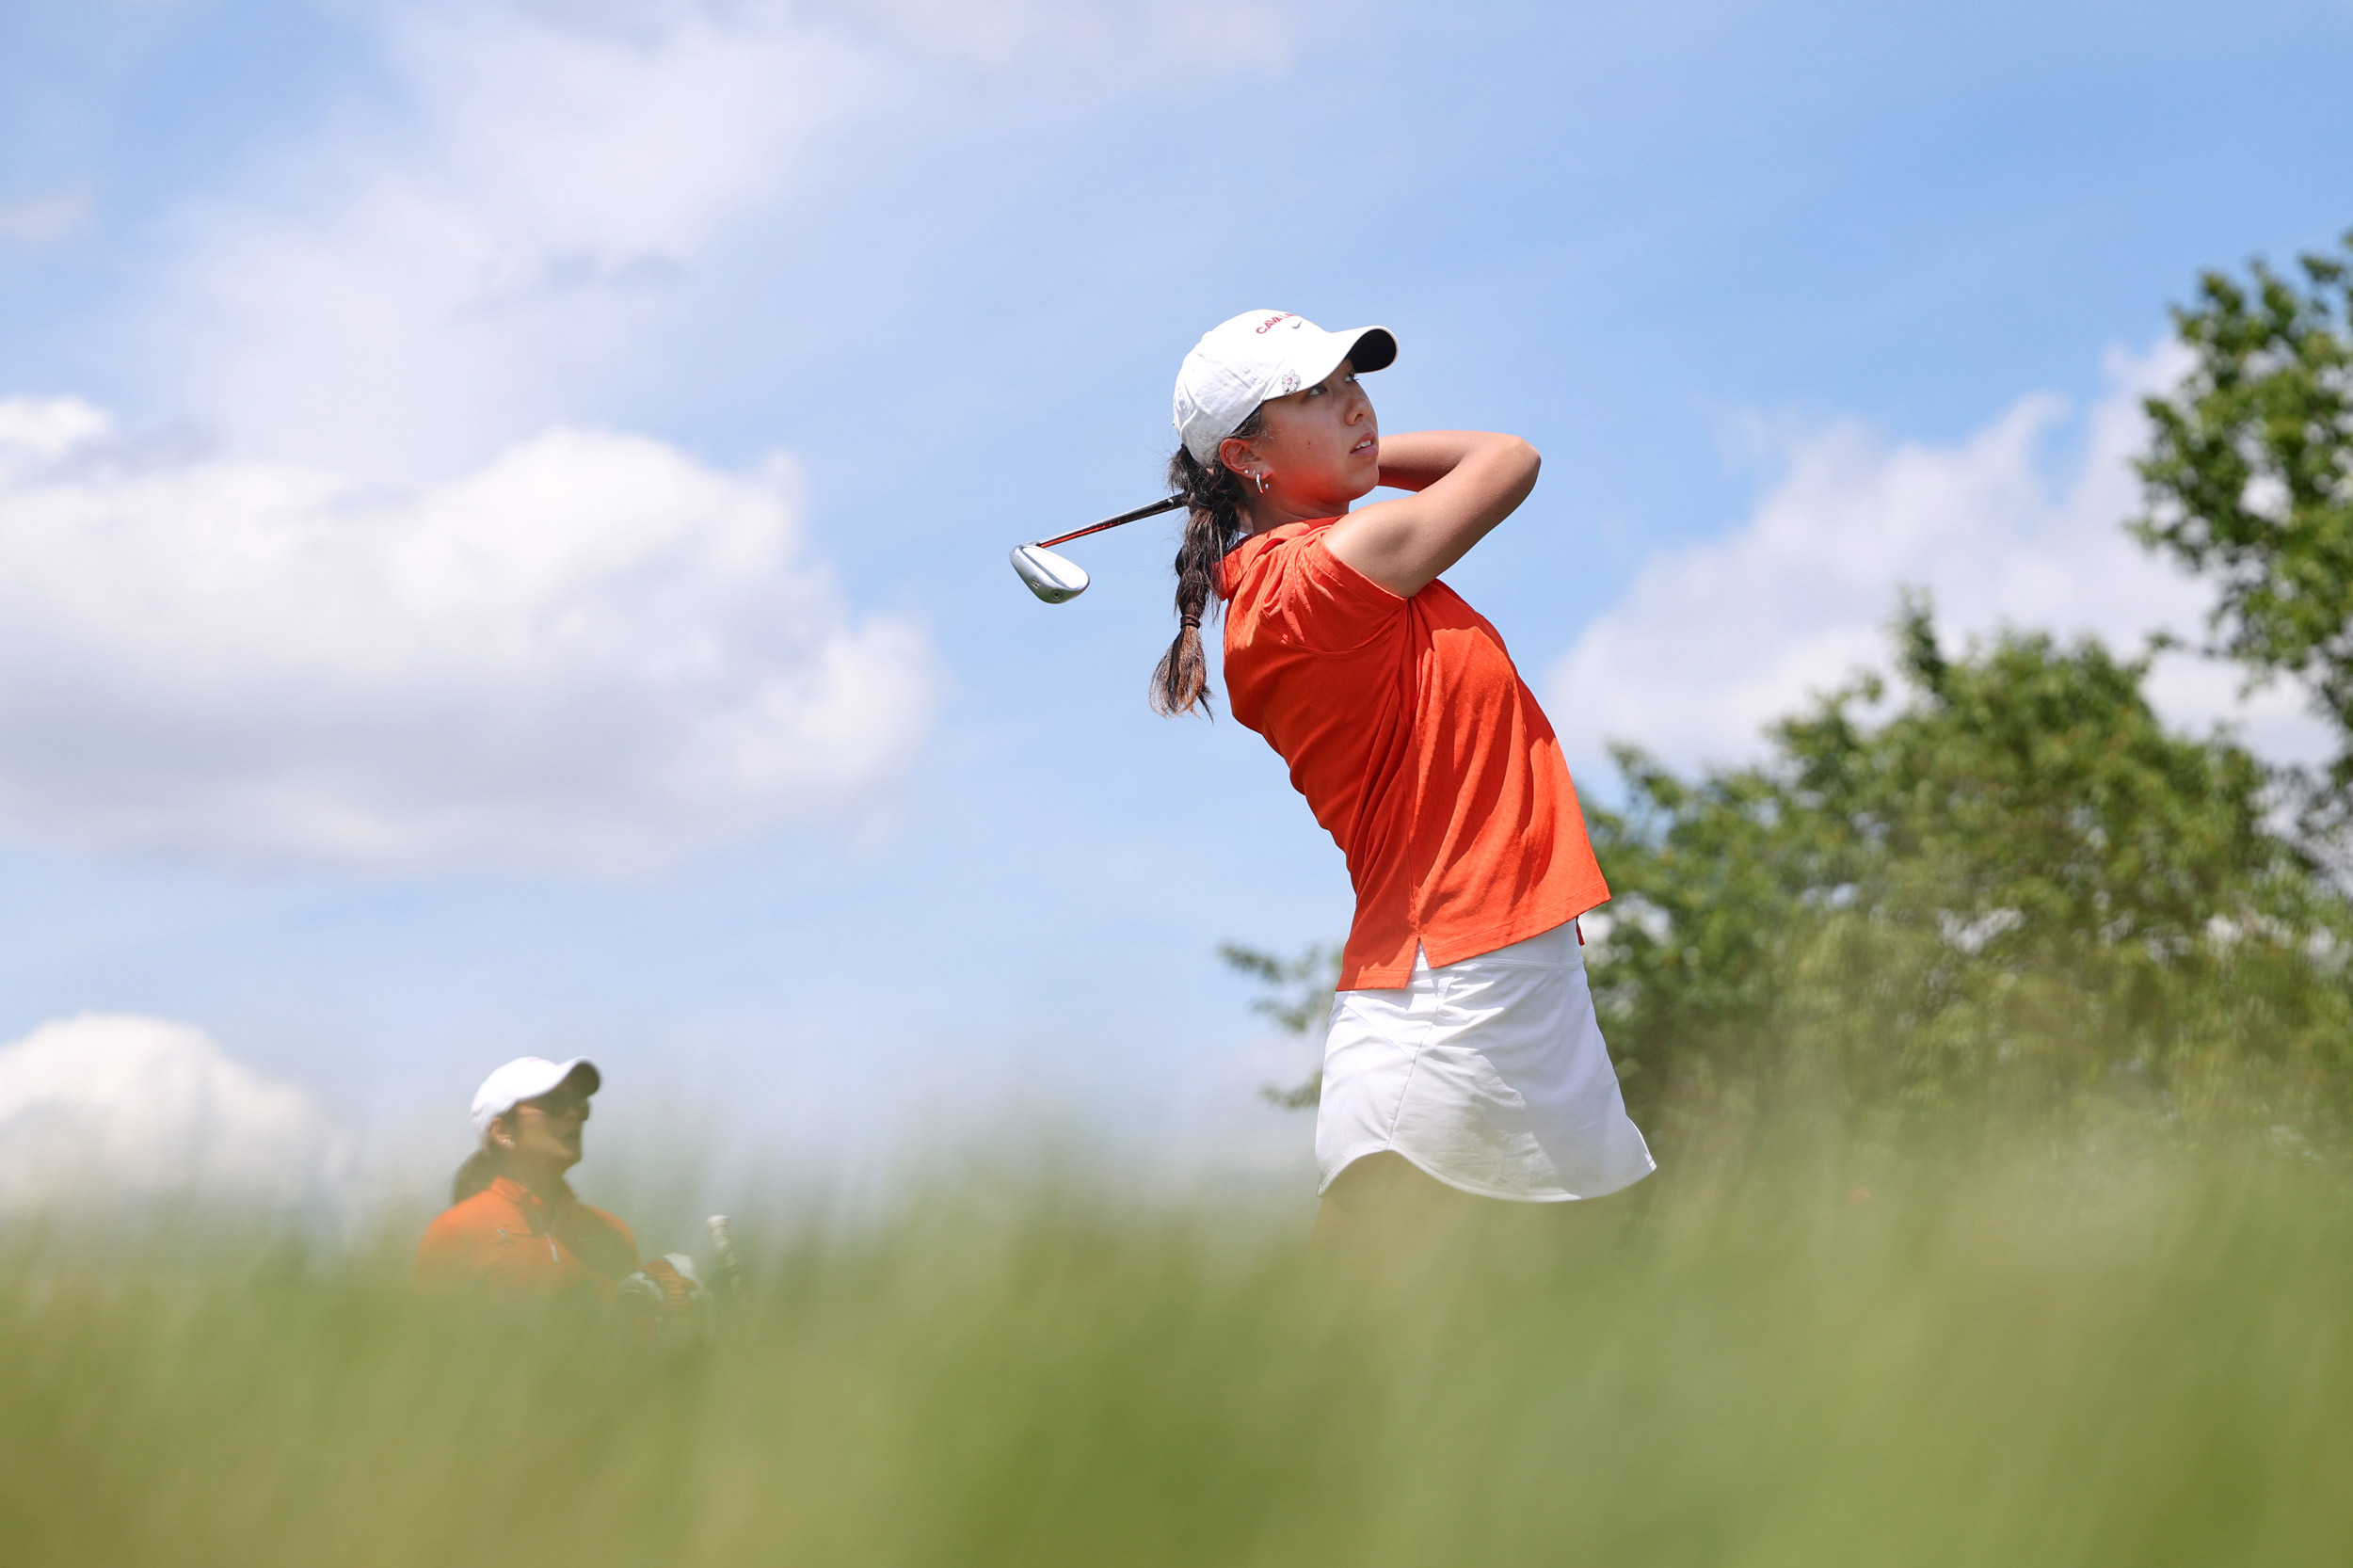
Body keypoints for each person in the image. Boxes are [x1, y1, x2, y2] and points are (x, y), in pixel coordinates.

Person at [1160, 311, 1656, 1240]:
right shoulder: (1306, 581)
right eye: (1314, 394)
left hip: (1517, 992)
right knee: (1377, 1369)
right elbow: (1507, 459)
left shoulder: (1320, 575)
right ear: (1245, 453)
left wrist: (1321, 458)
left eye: (1353, 379)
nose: (1355, 402)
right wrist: (1367, 462)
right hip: (1446, 1010)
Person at [415, 1057, 696, 1322]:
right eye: (555, 1104)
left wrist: (679, 1321)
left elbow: (636, 1352)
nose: (575, 1114)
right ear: (503, 1133)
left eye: (581, 1105)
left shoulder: (614, 1233)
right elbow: (433, 1357)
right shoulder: (454, 1232)